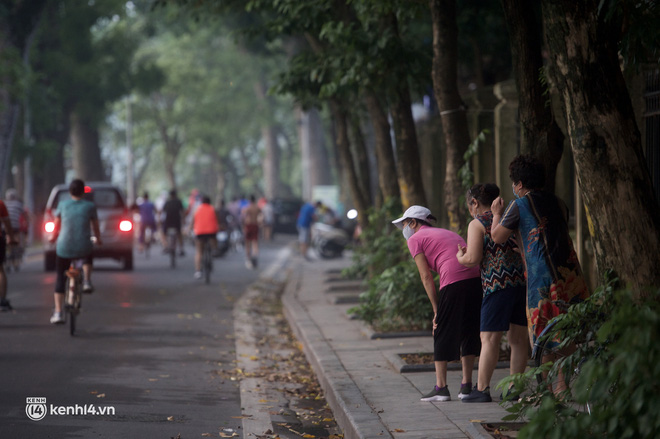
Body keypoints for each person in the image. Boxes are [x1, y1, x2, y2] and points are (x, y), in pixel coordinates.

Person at [490, 155, 590, 370]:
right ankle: (563, 386)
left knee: (545, 336)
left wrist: (496, 214)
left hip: (542, 278)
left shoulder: (518, 204)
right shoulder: (559, 203)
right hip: (570, 274)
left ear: (519, 184)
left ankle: (554, 388)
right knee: (565, 328)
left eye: (513, 183)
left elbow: (497, 237)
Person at [392, 205, 482, 402]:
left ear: (414, 223)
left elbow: (425, 277)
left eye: (405, 224)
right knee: (469, 330)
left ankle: (441, 388)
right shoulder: (445, 233)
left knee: (440, 329)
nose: (405, 230)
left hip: (454, 281)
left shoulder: (415, 239)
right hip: (476, 279)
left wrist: (436, 310)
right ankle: (466, 386)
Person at [456, 183, 528, 403]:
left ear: (475, 203)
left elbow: (473, 259)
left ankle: (482, 389)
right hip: (520, 283)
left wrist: (460, 257)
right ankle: (513, 389)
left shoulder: (477, 223)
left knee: (489, 338)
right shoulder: (511, 216)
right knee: (518, 339)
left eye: (470, 205)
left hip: (496, 286)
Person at [48, 179, 102, 324]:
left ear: (69, 192)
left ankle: (58, 313)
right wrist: (99, 239)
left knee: (60, 278)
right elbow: (95, 228)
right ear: (84, 191)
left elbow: (56, 227)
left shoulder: (62, 205)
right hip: (83, 246)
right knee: (88, 252)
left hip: (63, 247)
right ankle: (87, 281)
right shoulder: (90, 206)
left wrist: (52, 239)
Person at [192, 195, 219, 279]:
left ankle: (198, 271)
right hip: (211, 232)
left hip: (199, 232)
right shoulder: (213, 209)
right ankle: (214, 249)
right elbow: (217, 220)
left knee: (199, 251)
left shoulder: (197, 209)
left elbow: (193, 221)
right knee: (214, 239)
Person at [0, 199, 17, 311]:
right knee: (0, 270)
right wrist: (11, 237)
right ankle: (2, 300)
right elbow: (7, 224)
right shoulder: (0, 204)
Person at [4, 189, 26, 272]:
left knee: (7, 245)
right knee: (16, 244)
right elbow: (24, 215)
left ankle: (7, 263)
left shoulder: (4, 204)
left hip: (5, 228)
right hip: (15, 227)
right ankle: (16, 263)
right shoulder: (18, 204)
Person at [160, 189, 185, 256]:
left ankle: (165, 246)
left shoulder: (167, 202)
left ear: (170, 195)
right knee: (179, 234)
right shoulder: (179, 201)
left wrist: (161, 220)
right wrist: (183, 220)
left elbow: (163, 212)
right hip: (177, 220)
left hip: (168, 221)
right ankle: (181, 248)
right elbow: (182, 211)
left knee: (163, 233)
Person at [241, 195, 262, 269]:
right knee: (255, 242)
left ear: (249, 201)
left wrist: (243, 225)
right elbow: (261, 216)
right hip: (255, 225)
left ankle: (248, 257)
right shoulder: (257, 208)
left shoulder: (247, 208)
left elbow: (243, 217)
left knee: (247, 242)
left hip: (248, 226)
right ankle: (255, 255)